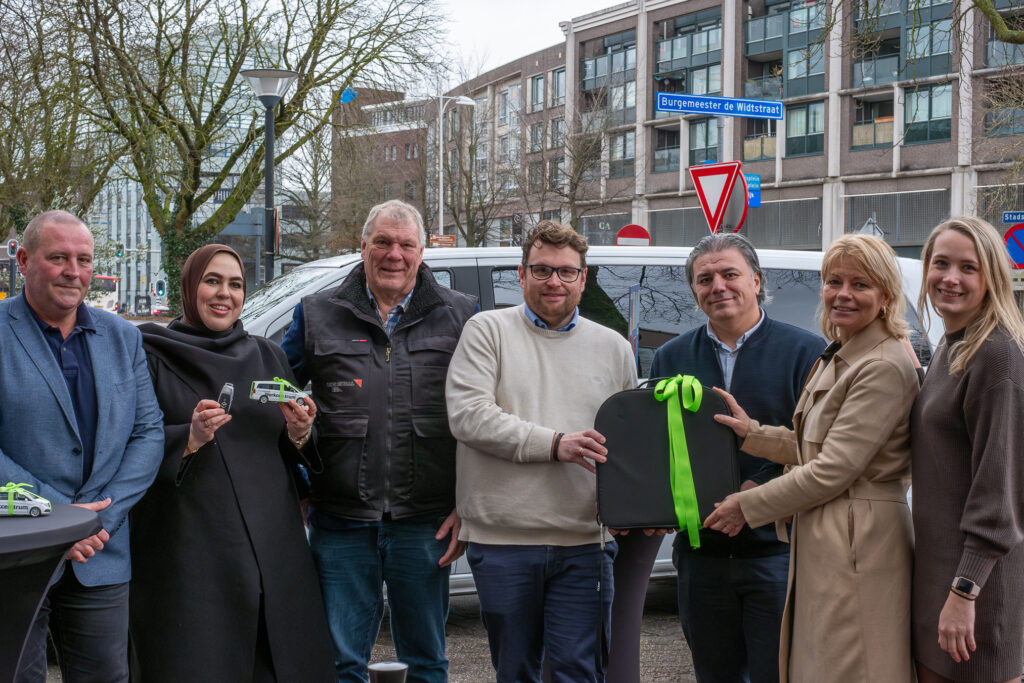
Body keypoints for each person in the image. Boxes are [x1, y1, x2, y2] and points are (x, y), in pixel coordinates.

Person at [705, 234, 919, 683]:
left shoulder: (879, 363)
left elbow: (831, 470)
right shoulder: (844, 351)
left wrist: (746, 506)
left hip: (859, 540)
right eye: (833, 280)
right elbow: (816, 446)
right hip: (834, 533)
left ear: (885, 295)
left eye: (860, 284)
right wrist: (753, 434)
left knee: (852, 666)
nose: (842, 293)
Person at [282, 199, 477, 683]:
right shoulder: (317, 314)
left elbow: (482, 416)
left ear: (422, 251)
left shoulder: (461, 316)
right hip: (341, 518)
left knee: (426, 661)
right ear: (362, 245)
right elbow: (273, 397)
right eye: (384, 243)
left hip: (426, 519)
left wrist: (468, 504)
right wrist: (298, 481)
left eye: (406, 244)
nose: (395, 254)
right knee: (341, 663)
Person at [131, 245, 334, 681]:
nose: (225, 294)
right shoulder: (151, 354)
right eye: (212, 281)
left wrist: (301, 432)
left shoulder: (267, 355)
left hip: (274, 554)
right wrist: (188, 438)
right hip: (193, 558)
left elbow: (295, 444)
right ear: (190, 287)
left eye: (236, 284)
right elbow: (129, 445)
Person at [445, 220, 638, 683]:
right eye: (542, 270)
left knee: (579, 671)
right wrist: (554, 444)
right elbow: (468, 415)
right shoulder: (486, 330)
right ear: (522, 274)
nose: (555, 281)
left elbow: (630, 442)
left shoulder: (614, 347)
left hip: (586, 544)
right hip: (503, 540)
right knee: (515, 671)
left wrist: (628, 506)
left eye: (567, 272)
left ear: (583, 279)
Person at [642, 233, 824, 683]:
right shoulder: (670, 357)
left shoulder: (808, 353)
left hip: (778, 550)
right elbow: (661, 446)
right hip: (700, 553)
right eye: (705, 279)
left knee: (777, 672)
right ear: (694, 292)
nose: (718, 286)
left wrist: (756, 495)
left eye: (729, 274)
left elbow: (819, 448)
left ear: (757, 281)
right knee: (714, 671)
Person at [0, 210, 164, 682]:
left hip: (100, 552)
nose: (74, 271)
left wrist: (95, 521)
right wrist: (59, 518)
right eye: (58, 258)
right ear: (25, 259)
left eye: (84, 259)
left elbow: (148, 434)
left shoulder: (124, 338)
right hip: (16, 551)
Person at [910, 217, 1024, 683]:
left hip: (976, 589)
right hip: (938, 576)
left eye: (968, 268)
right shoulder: (949, 346)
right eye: (941, 263)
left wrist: (965, 592)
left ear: (991, 277)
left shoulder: (997, 354)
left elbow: (999, 493)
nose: (950, 278)